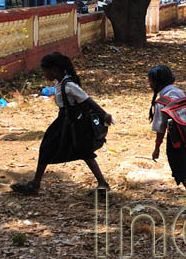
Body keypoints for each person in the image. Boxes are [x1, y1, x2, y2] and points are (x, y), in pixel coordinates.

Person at [11, 52, 113, 196]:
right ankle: (36, 183)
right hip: (64, 120)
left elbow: (87, 100)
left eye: (46, 71)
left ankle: (35, 184)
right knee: (73, 150)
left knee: (71, 150)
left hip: (71, 122)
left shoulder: (68, 85)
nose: (45, 74)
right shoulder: (60, 83)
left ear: (55, 70)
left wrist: (104, 114)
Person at [148, 65, 186, 217]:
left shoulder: (162, 102)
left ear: (156, 83)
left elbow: (160, 129)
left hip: (177, 142)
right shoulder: (180, 93)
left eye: (150, 81)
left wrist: (157, 148)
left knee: (184, 173)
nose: (149, 84)